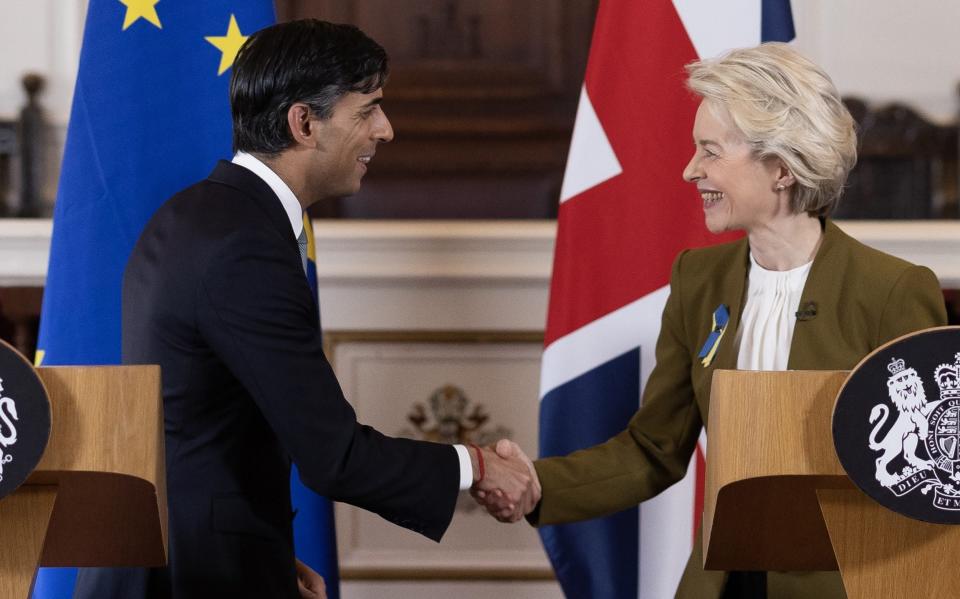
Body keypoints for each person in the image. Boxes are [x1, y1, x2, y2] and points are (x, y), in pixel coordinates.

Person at [73, 19, 538, 599]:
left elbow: (201, 422)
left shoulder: (197, 214)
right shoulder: (245, 246)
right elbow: (335, 456)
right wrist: (477, 465)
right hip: (192, 574)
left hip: (175, 556)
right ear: (303, 122)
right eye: (368, 110)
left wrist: (262, 555)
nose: (386, 130)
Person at [475, 43, 948, 598]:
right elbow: (655, 449)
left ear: (780, 168)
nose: (689, 170)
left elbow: (929, 474)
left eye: (710, 152)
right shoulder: (698, 279)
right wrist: (538, 485)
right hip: (722, 583)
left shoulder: (891, 290)